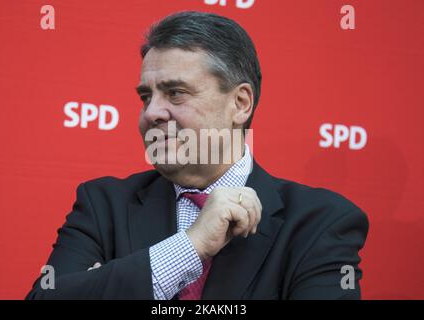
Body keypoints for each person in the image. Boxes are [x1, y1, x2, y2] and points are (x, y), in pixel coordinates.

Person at [26, 11, 368, 300]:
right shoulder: (103, 205)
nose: (152, 113)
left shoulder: (319, 223)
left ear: (240, 103)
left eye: (176, 93)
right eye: (146, 96)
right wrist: (190, 248)